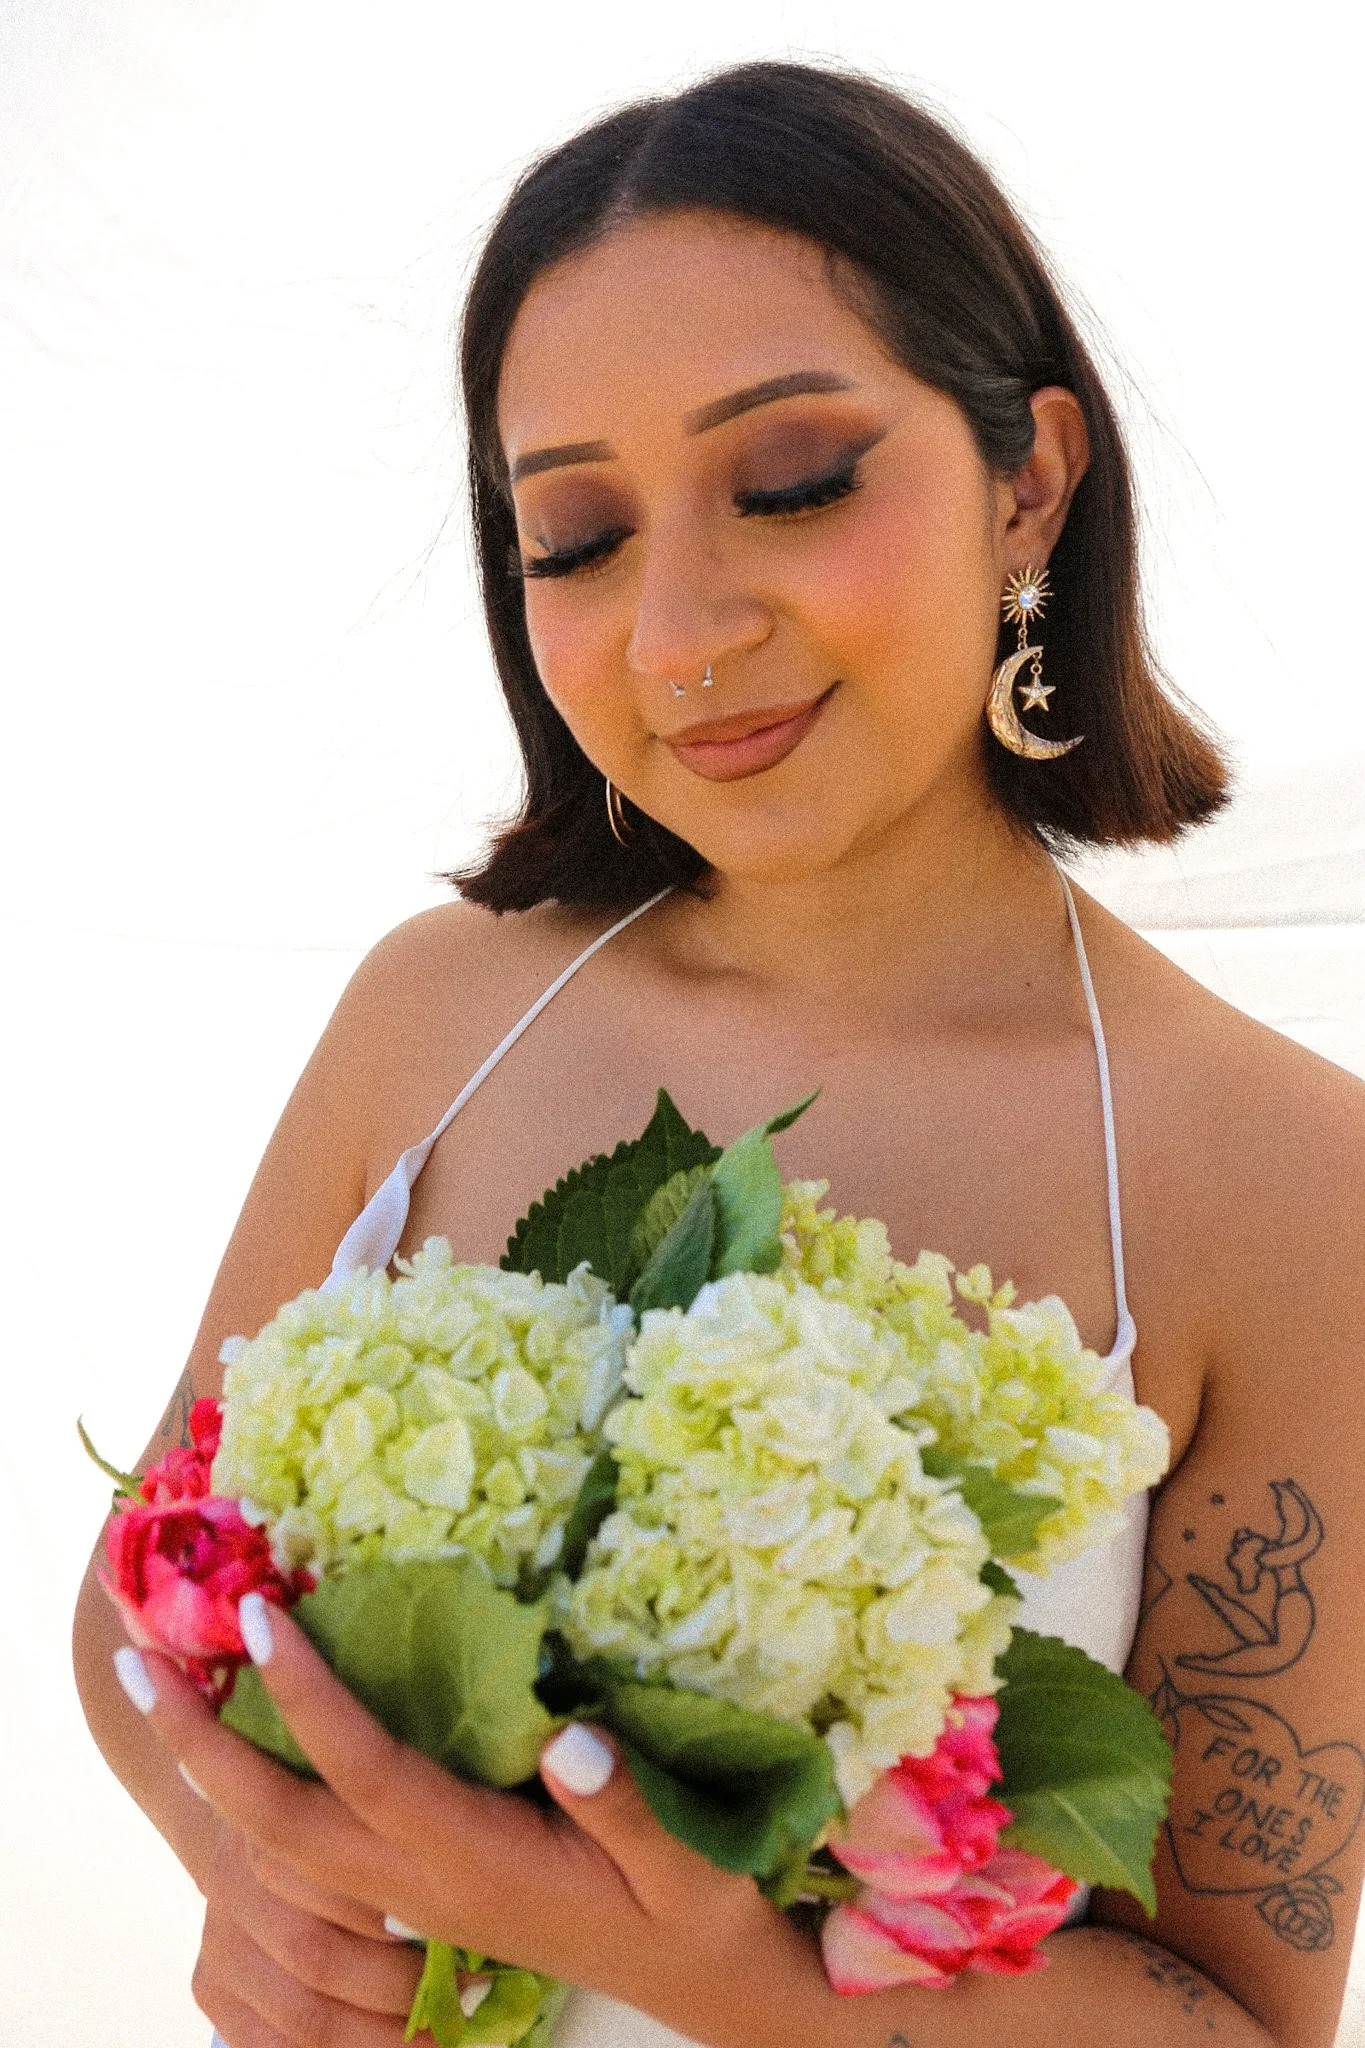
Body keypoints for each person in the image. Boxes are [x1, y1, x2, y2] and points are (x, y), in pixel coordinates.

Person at [72, 59, 1365, 2048]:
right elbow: (140, 1598)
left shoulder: (1281, 1175)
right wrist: (258, 1876)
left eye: (788, 486)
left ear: (1027, 477)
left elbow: (1246, 2021)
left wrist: (712, 1971)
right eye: (574, 535)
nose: (676, 630)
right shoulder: (431, 1010)